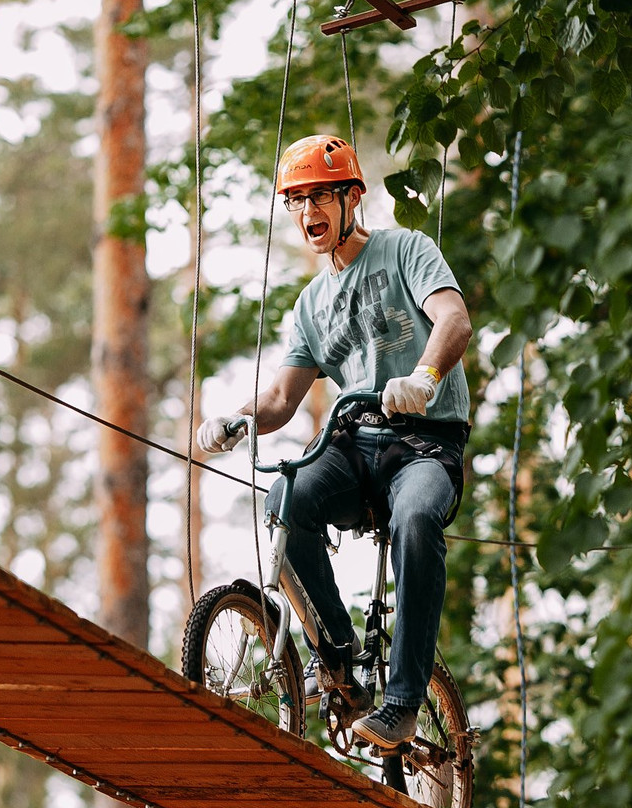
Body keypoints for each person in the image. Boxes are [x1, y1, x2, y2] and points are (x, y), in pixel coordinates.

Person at [197, 134, 472, 748]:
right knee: (285, 501)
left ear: (352, 198)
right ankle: (340, 661)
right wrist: (235, 420)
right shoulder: (312, 303)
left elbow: (454, 319)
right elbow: (280, 399)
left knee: (417, 516)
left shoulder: (406, 250)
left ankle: (403, 700)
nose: (307, 212)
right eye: (296, 201)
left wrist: (425, 378)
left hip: (425, 444)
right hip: (354, 443)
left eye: (320, 196)